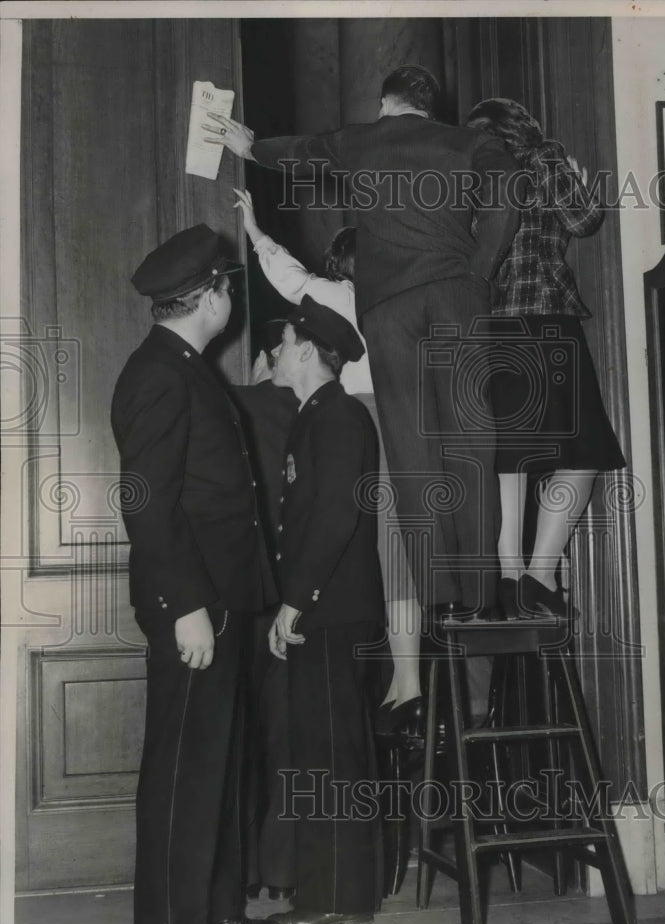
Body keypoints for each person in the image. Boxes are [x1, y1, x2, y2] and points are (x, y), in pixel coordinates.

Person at [205, 65, 520, 620]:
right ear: (429, 106)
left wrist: (251, 150)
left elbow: (301, 151)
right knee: (471, 444)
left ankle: (440, 595)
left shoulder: (362, 140)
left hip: (389, 308)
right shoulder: (473, 141)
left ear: (384, 104)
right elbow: (507, 199)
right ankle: (482, 595)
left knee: (411, 451)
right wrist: (478, 272)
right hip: (456, 296)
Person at [110, 224, 283, 924]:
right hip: (194, 603)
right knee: (185, 768)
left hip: (223, 596)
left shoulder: (183, 367)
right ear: (209, 295)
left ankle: (213, 911)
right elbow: (146, 503)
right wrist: (184, 606)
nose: (231, 301)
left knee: (218, 761)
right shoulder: (160, 375)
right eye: (227, 289)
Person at [232, 187, 422, 734]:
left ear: (341, 267)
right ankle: (407, 677)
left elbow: (290, 277)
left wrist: (256, 230)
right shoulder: (403, 298)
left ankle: (404, 683)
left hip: (363, 414)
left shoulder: (340, 296)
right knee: (399, 552)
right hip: (410, 423)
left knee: (363, 540)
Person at [464, 98, 626, 617]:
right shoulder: (538, 158)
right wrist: (561, 172)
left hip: (498, 327)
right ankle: (537, 573)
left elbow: (582, 221)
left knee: (511, 459)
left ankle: (517, 576)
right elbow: (584, 218)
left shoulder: (489, 176)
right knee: (581, 453)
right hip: (543, 322)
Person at [265, 295, 384, 924]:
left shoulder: (337, 418)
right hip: (324, 609)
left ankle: (341, 896)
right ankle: (329, 889)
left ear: (308, 350)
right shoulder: (315, 417)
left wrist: (294, 601)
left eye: (282, 344)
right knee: (321, 751)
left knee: (335, 755)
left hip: (331, 610)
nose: (275, 355)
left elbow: (334, 520)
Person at [230, 320, 298, 902]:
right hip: (295, 598)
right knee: (287, 736)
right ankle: (281, 873)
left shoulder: (236, 399)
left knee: (239, 736)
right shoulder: (312, 411)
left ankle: (243, 871)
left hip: (238, 596)